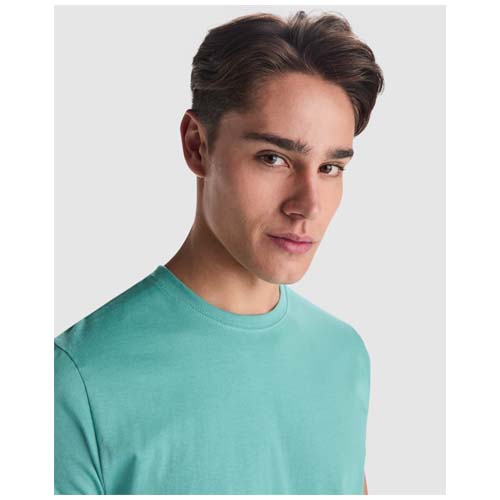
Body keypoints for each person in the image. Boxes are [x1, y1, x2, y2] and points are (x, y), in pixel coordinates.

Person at [54, 10, 384, 495]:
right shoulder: (77, 381)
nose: (308, 205)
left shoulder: (343, 355)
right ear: (197, 146)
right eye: (274, 158)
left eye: (330, 167)